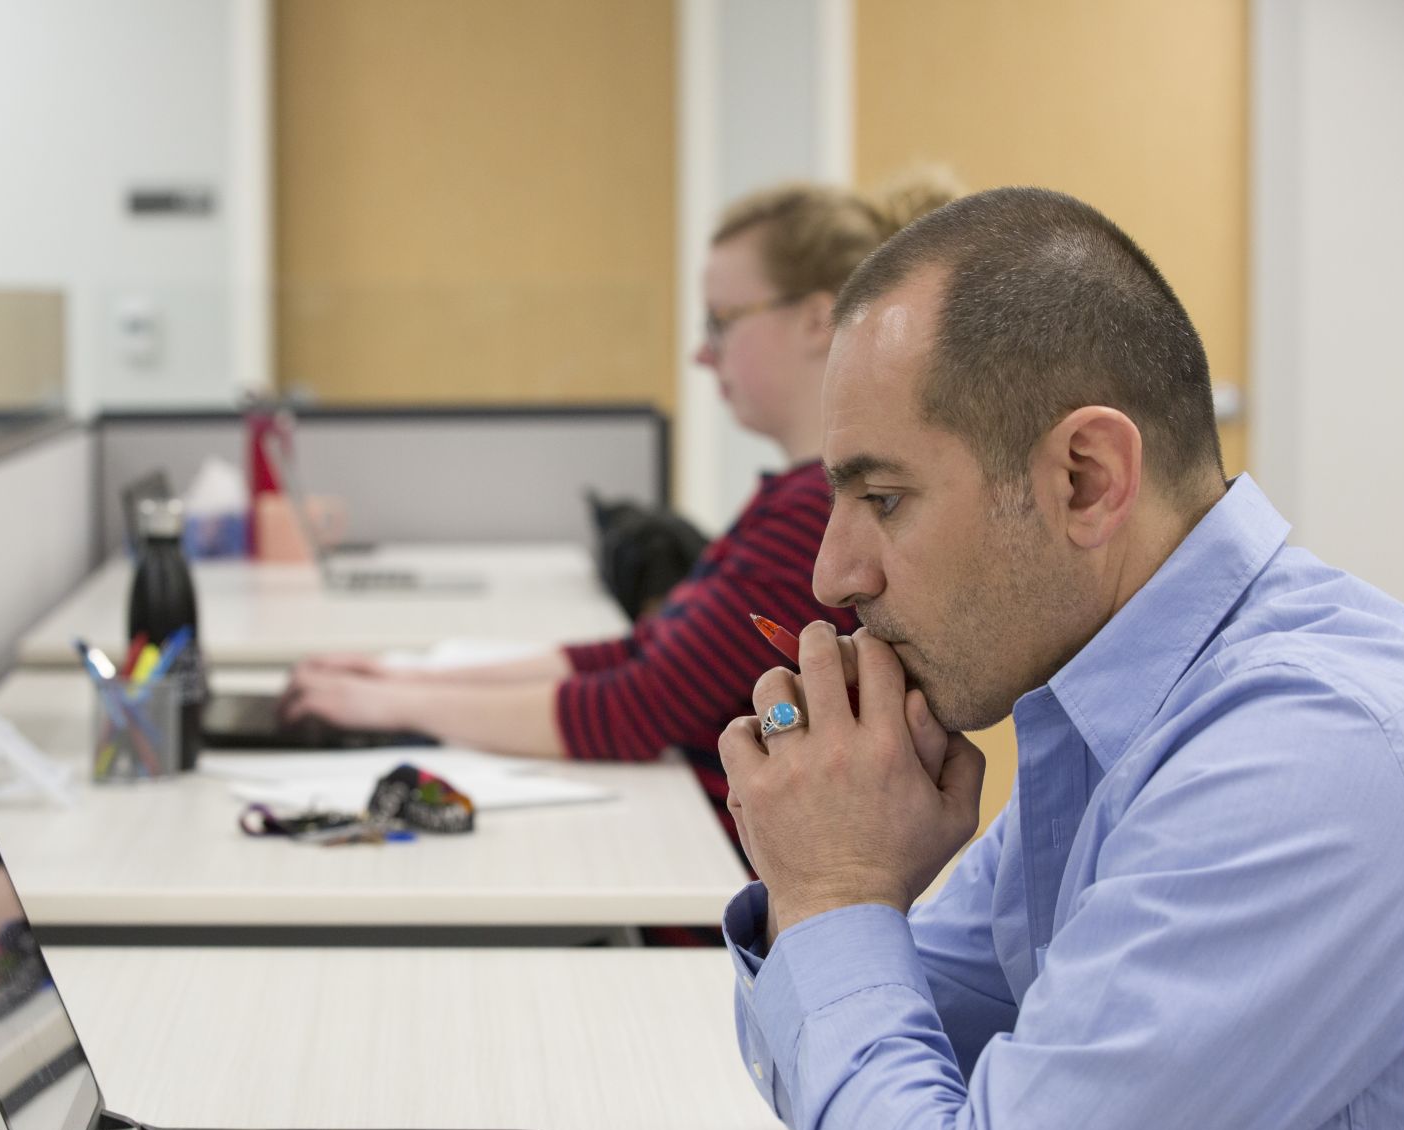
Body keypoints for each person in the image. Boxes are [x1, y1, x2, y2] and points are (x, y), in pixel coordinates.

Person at [719, 186, 1404, 1130]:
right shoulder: (1107, 705)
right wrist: (831, 901)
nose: (833, 574)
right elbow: (826, 1084)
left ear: (1085, 480)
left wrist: (835, 893)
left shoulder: (1308, 762)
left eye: (882, 496)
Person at [285, 174, 959, 840]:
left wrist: (389, 702)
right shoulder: (792, 497)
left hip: (734, 877)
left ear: (817, 320)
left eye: (721, 321)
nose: (702, 352)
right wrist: (406, 680)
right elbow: (645, 650)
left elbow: (637, 708)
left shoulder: (816, 512)